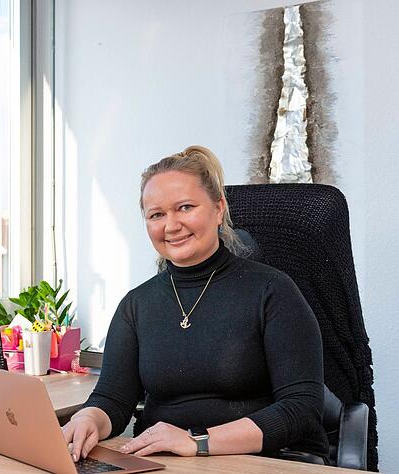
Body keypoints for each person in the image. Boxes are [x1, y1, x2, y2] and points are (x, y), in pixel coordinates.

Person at [62, 146, 329, 462]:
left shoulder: (272, 291)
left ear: (218, 209)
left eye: (185, 207)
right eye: (156, 215)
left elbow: (302, 409)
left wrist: (197, 441)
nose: (171, 225)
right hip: (164, 462)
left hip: (260, 460)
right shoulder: (136, 305)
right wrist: (88, 418)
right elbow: (113, 399)